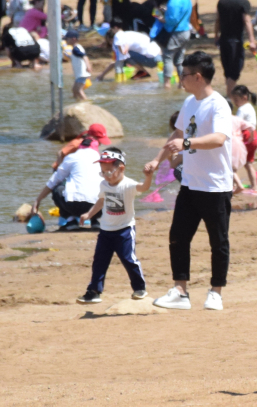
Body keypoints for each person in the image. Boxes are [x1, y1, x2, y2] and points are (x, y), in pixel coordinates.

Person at [146, 51, 233, 311]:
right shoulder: (189, 102)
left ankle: (216, 291)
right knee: (178, 236)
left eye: (184, 75)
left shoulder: (218, 104)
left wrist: (186, 143)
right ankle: (180, 291)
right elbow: (178, 133)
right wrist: (156, 160)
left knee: (218, 241)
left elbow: (218, 139)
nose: (180, 79)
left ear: (197, 76)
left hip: (215, 185)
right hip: (190, 184)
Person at [75, 147, 153, 304]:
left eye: (109, 172)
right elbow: (101, 200)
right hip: (105, 231)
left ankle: (139, 288)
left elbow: (143, 188)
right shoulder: (104, 185)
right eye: (102, 172)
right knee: (99, 261)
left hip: (124, 230)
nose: (105, 175)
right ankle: (94, 291)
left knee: (128, 259)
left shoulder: (128, 185)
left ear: (121, 168)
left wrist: (148, 177)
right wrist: (89, 214)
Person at [31, 136, 103, 230]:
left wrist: (37, 201)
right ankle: (95, 222)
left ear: (80, 147)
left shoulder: (72, 157)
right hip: (98, 209)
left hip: (73, 206)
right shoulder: (102, 159)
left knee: (58, 186)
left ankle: (71, 221)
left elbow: (53, 181)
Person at [215, 0, 256, 96]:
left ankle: (229, 95)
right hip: (236, 41)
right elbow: (247, 21)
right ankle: (228, 99)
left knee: (228, 72)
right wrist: (252, 40)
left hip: (223, 40)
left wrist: (216, 36)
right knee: (235, 71)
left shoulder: (221, 1)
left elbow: (217, 19)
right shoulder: (243, 2)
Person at [156, 0, 193, 89]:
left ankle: (166, 84)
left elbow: (172, 20)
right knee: (179, 59)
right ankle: (182, 84)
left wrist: (161, 19)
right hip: (186, 31)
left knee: (167, 57)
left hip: (176, 32)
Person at [98, 19, 163, 80]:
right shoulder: (125, 34)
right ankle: (141, 71)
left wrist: (101, 76)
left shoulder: (119, 40)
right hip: (159, 57)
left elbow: (115, 61)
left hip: (152, 60)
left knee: (125, 56)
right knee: (125, 54)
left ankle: (143, 72)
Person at [231, 85, 257, 195]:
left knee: (233, 163)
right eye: (234, 100)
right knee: (248, 164)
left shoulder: (241, 109)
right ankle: (255, 187)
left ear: (244, 97)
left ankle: (234, 185)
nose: (235, 103)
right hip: (254, 136)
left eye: (236, 100)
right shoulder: (250, 107)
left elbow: (237, 124)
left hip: (246, 136)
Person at [65, 29, 92, 101]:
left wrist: (88, 66)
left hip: (82, 74)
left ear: (73, 39)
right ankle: (77, 101)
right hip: (80, 74)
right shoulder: (77, 47)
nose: (66, 41)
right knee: (74, 90)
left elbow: (84, 56)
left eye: (67, 39)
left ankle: (87, 103)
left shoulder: (75, 49)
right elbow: (78, 57)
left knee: (79, 90)